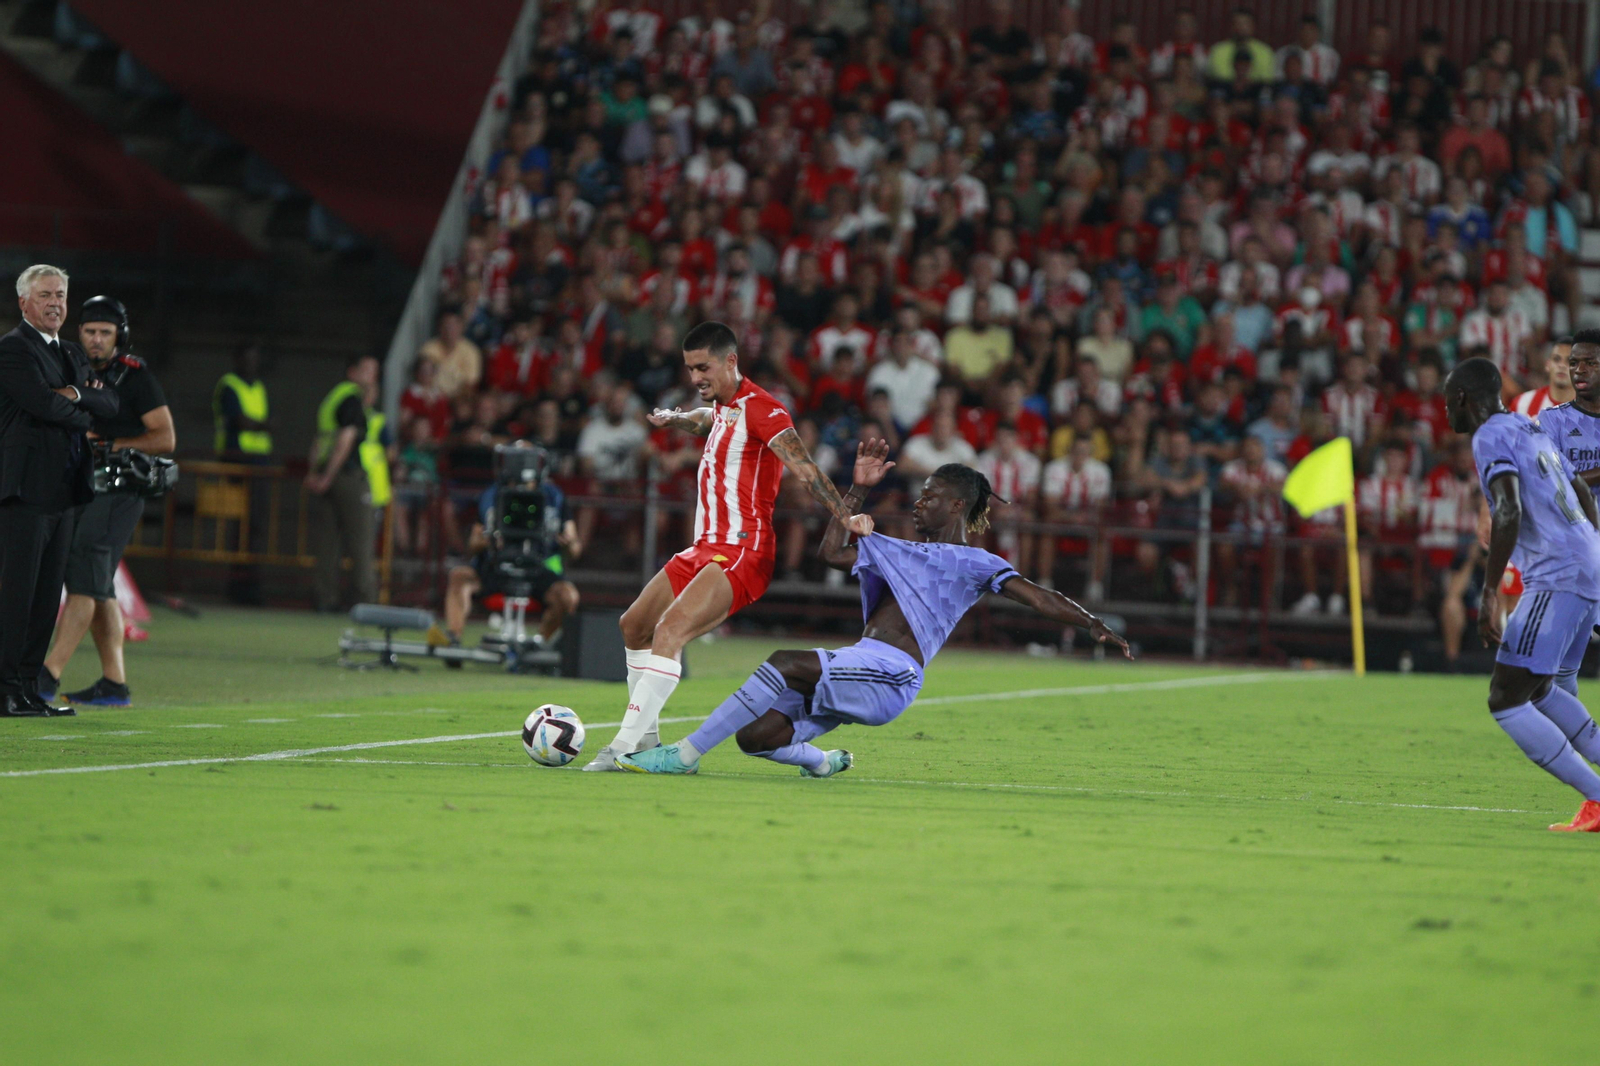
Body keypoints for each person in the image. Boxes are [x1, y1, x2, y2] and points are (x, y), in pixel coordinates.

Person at [618, 442, 1130, 776]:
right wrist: (858, 489)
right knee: (755, 737)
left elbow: (1038, 596)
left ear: (956, 506)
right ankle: (821, 763)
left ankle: (683, 756)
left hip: (895, 674)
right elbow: (833, 553)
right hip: (861, 662)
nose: (917, 503)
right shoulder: (896, 549)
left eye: (929, 497)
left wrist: (1093, 624)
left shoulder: (975, 561)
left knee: (782, 661)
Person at [585, 321, 869, 771]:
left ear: (731, 361)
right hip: (705, 547)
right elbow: (708, 422)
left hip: (743, 550)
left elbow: (806, 468)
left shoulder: (766, 409)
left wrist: (845, 514)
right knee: (634, 624)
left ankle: (622, 746)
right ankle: (648, 739)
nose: (696, 377)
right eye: (690, 369)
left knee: (669, 631)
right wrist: (677, 418)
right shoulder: (722, 405)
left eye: (704, 367)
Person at [1444, 355, 1600, 832]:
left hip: (1556, 575)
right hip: (1584, 567)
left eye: (1448, 402)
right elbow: (1581, 489)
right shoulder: (1530, 427)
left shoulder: (1490, 434)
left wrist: (1489, 592)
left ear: (1464, 400)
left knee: (1506, 698)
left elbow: (1507, 510)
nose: (1447, 412)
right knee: (1541, 688)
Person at [40, 296, 174, 707]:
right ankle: (114, 683)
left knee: (83, 573)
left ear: (120, 337)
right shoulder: (72, 368)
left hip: (120, 489)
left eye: (105, 333)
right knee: (97, 585)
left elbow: (165, 438)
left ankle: (46, 676)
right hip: (83, 487)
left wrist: (112, 443)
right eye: (90, 331)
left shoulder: (135, 376)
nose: (96, 340)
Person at [0, 265, 119, 717]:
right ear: (24, 303)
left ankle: (28, 689)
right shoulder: (13, 349)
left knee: (48, 596)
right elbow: (43, 405)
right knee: (19, 594)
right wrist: (78, 402)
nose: (55, 303)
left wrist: (72, 396)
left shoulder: (70, 352)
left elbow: (107, 403)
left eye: (61, 295)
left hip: (65, 489)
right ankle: (5, 689)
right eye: (46, 294)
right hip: (26, 489)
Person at [431, 443, 581, 654]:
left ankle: (539, 645)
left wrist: (568, 543)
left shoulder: (553, 497)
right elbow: (472, 546)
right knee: (459, 576)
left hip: (536, 566)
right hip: (496, 564)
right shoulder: (492, 495)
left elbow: (574, 548)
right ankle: (453, 639)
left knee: (568, 596)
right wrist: (489, 540)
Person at [306, 355, 380, 611]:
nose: (372, 377)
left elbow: (319, 439)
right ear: (353, 372)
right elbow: (345, 439)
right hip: (347, 476)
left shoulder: (332, 398)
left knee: (328, 543)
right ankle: (366, 601)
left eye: (375, 372)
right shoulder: (351, 398)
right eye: (367, 370)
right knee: (361, 542)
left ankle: (324, 598)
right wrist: (328, 477)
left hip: (328, 474)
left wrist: (315, 473)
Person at [213, 341, 273, 604]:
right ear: (237, 358)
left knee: (256, 526)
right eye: (247, 357)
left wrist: (258, 426)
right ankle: (236, 587)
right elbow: (239, 420)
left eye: (255, 358)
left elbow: (257, 422)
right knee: (238, 526)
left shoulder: (258, 386)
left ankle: (250, 585)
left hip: (259, 463)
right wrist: (263, 426)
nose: (252, 363)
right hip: (236, 461)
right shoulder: (229, 385)